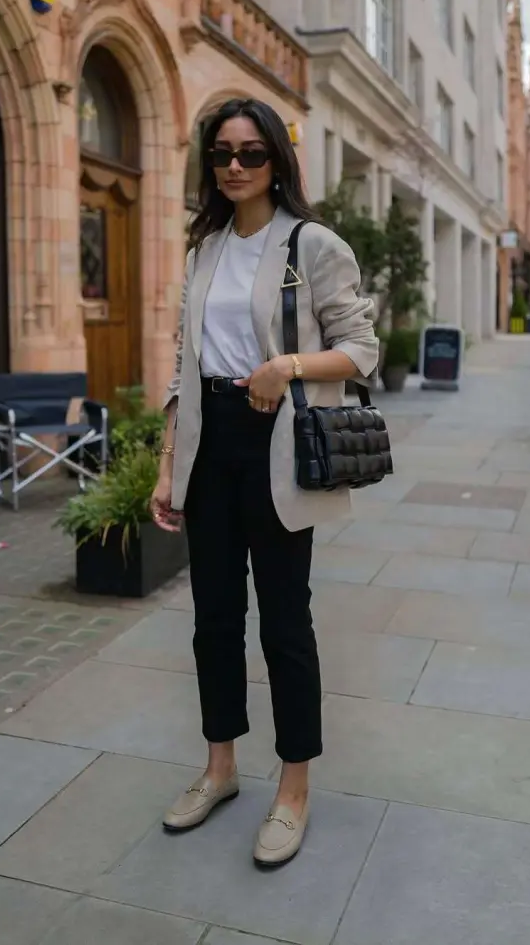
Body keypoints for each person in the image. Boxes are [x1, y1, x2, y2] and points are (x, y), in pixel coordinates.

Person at [150, 98, 378, 866]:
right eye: (222, 154)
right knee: (213, 617)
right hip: (209, 442)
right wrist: (166, 461)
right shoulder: (203, 247)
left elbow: (361, 348)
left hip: (275, 442)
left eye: (252, 152)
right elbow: (186, 362)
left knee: (284, 622)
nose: (237, 166)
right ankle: (219, 769)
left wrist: (287, 366)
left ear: (278, 158)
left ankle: (293, 787)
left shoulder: (310, 245)